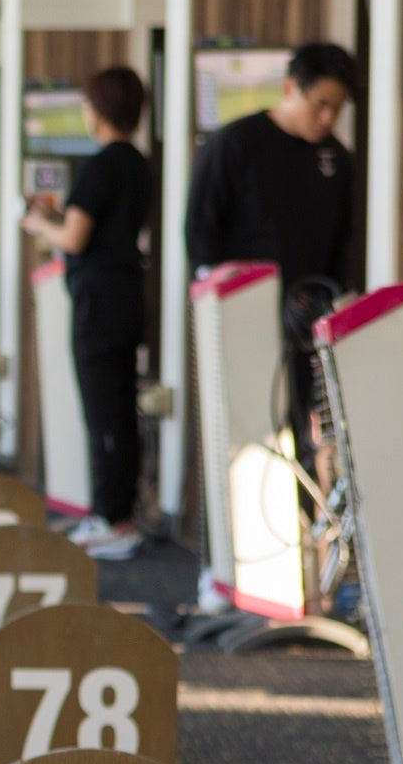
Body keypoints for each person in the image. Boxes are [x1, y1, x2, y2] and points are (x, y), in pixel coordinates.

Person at [184, 40, 358, 473]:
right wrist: (216, 288)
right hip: (242, 317)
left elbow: (344, 244)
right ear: (289, 88)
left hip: (306, 321)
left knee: (307, 435)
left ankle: (306, 510)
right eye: (319, 104)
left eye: (337, 109)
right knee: (248, 440)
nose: (327, 118)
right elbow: (200, 232)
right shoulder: (235, 144)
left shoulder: (337, 159)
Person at [23, 65, 157, 561]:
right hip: (126, 295)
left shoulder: (100, 166)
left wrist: (38, 222)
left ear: (98, 111)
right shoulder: (139, 164)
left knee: (103, 411)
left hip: (98, 302)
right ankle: (119, 514)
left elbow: (75, 238)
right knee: (120, 407)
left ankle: (111, 518)